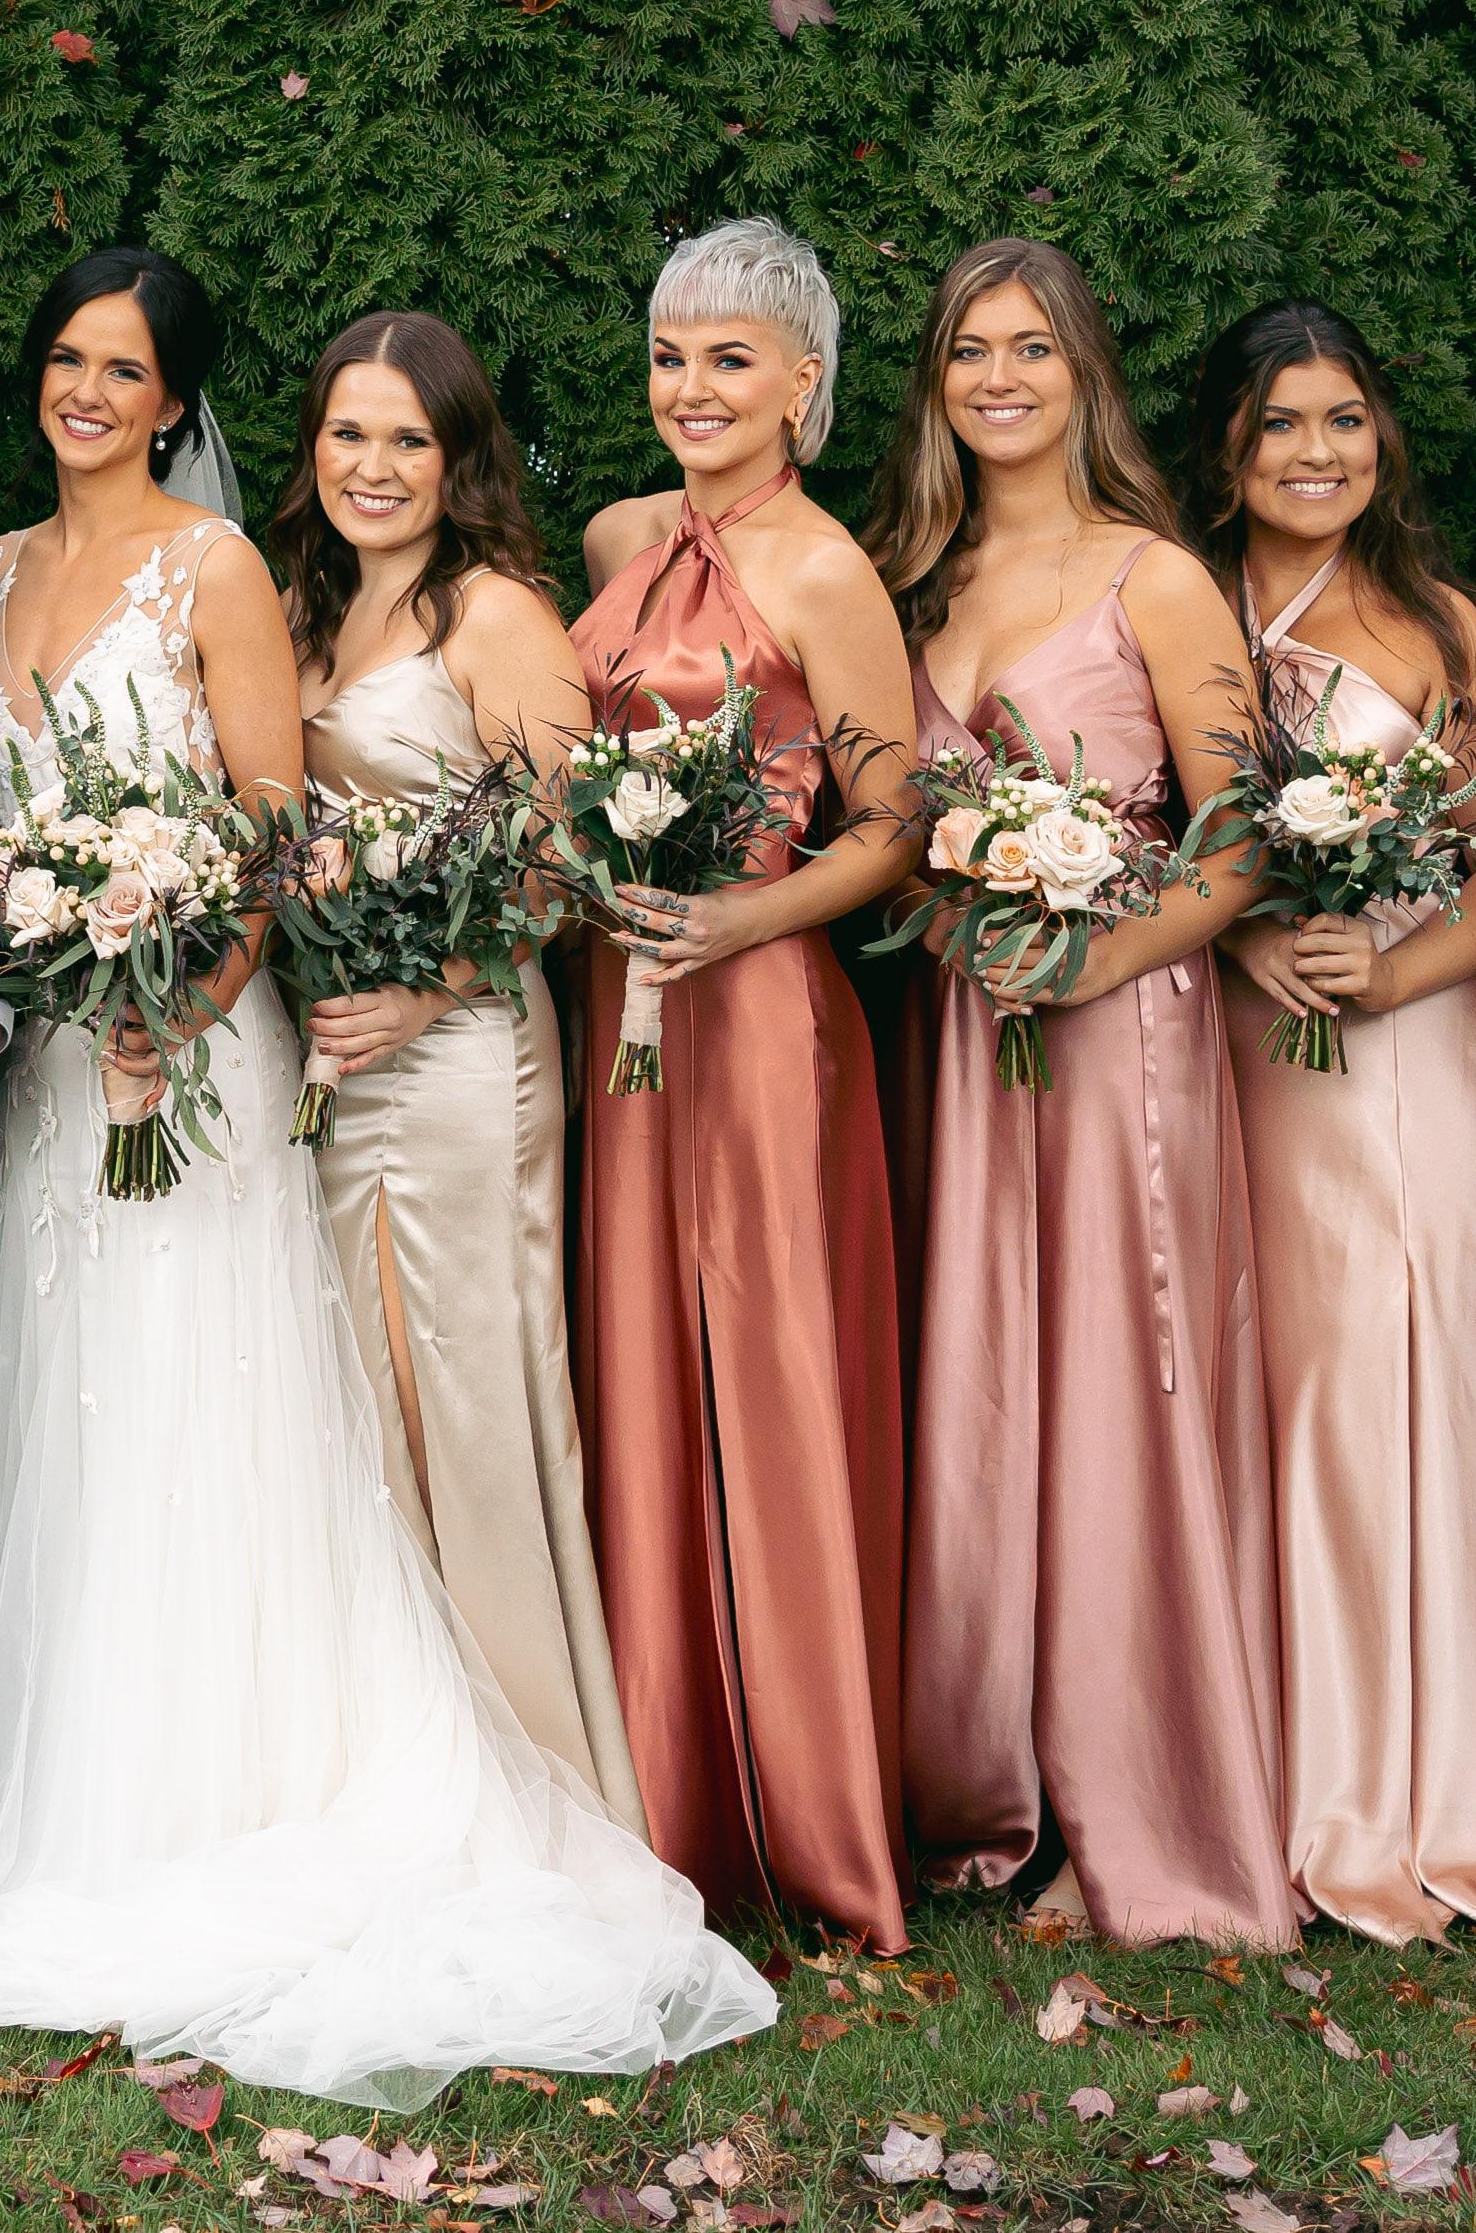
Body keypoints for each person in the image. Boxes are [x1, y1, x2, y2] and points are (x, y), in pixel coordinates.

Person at [0, 250, 773, 2102]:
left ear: (177, 404)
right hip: (74, 1069)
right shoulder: (19, 573)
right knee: (92, 1420)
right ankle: (103, 1808)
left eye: (125, 368)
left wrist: (187, 1000)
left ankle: (444, 1788)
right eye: (64, 358)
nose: (87, 390)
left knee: (261, 1414)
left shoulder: (276, 587)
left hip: (251, 1047)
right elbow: (10, 831)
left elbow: (285, 843)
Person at [1186, 303, 1476, 1945]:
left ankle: (1433, 1788)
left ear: (1382, 440)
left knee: (1414, 1389)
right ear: (1224, 449)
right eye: (1276, 425)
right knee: (1266, 1395)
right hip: (1240, 1051)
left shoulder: (1442, 628)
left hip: (1418, 1046)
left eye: (1343, 420)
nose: (1313, 453)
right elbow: (1154, 829)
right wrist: (1238, 937)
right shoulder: (1179, 610)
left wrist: (1389, 972)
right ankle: (1270, 1773)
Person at [872, 237, 1288, 1948]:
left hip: (1123, 1034)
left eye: (1031, 348)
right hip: (966, 1036)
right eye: (969, 350)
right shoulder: (912, 583)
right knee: (983, 1383)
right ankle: (988, 1784)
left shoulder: (1154, 579)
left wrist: (1097, 960)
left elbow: (1243, 843)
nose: (999, 379)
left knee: (1121, 1386)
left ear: (1083, 374)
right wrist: (954, 923)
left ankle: (1141, 1791)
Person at [561, 220, 918, 1949]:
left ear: (802, 384)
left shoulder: (828, 572)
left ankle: (807, 1817)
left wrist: (736, 919)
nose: (688, 388)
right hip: (618, 1009)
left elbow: (894, 826)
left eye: (727, 360)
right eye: (668, 355)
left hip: (761, 1008)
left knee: (770, 1376)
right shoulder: (615, 540)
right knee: (631, 1358)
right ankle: (655, 1788)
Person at [266, 312, 636, 1819]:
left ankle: (530, 1776)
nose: (372, 466)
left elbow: (570, 856)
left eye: (407, 439)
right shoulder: (300, 608)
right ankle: (395, 1763)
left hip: (465, 1055)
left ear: (458, 456)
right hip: (332, 1062)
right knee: (358, 1400)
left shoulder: (495, 615)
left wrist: (427, 990)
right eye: (347, 434)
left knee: (468, 1401)